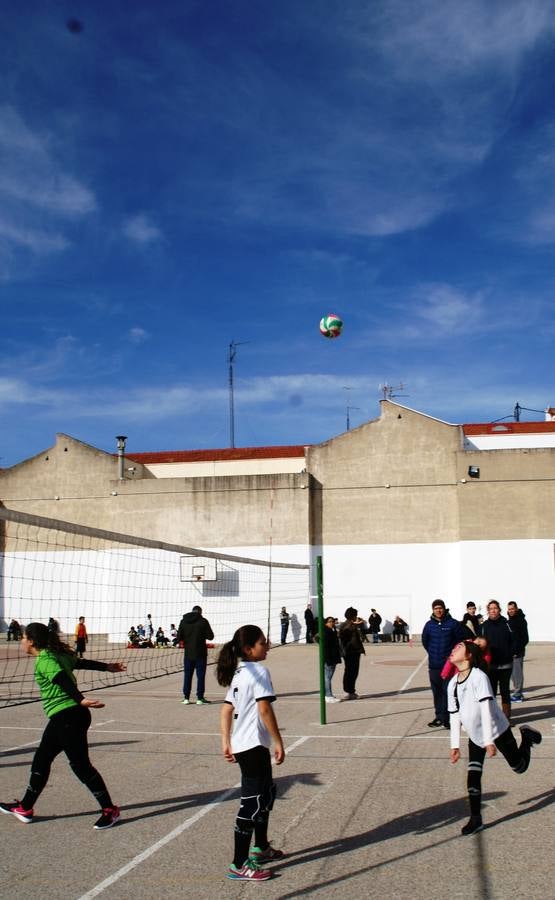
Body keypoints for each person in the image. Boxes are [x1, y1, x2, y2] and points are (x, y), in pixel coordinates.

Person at [0, 621, 125, 829]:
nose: (21, 641)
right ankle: (25, 806)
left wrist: (79, 698)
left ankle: (110, 810)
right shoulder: (55, 655)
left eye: (23, 638)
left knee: (80, 766)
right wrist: (107, 667)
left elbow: (60, 679)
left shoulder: (45, 659)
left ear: (31, 641)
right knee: (42, 759)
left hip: (68, 716)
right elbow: (80, 662)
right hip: (68, 716)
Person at [447, 639, 542, 835]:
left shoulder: (479, 677)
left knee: (519, 767)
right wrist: (454, 745)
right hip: (475, 735)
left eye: (459, 647)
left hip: (496, 730)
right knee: (473, 774)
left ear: (469, 655)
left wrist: (489, 741)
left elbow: (486, 709)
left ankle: (527, 736)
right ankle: (476, 818)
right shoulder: (452, 684)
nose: (454, 649)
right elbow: (454, 715)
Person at [217, 625, 285, 882]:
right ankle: (238, 863)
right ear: (249, 649)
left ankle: (261, 847)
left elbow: (226, 709)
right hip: (252, 746)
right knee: (253, 802)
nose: (267, 645)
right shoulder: (258, 671)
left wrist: (226, 740)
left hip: (247, 744)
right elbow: (264, 709)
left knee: (267, 793)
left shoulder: (240, 671)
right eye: (262, 642)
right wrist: (278, 741)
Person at [421, 599, 465, 728]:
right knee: (437, 692)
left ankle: (450, 719)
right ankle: (439, 717)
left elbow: (460, 642)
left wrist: (452, 657)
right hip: (434, 665)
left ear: (444, 609)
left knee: (449, 692)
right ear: (433, 610)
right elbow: (425, 641)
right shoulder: (429, 625)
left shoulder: (453, 624)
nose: (438, 610)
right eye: (436, 608)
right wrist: (433, 652)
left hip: (449, 666)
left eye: (440, 608)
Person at [481, 600, 514, 723]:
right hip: (491, 666)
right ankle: (493, 718)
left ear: (499, 609)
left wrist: (511, 652)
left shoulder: (506, 623)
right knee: (491, 692)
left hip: (506, 664)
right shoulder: (484, 626)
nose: (493, 610)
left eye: (495, 608)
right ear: (488, 611)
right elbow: (480, 643)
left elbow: (514, 640)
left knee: (505, 691)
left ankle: (506, 718)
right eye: (490, 609)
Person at [177, 605, 214, 705]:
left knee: (187, 675)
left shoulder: (183, 621)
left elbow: (179, 636)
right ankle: (200, 698)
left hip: (188, 653)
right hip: (200, 653)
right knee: (200, 676)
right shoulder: (203, 621)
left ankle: (186, 698)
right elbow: (211, 636)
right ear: (200, 612)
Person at [339, 607, 365, 700]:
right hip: (349, 651)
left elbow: (363, 632)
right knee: (350, 672)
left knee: (354, 672)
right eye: (355, 615)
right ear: (352, 616)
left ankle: (351, 691)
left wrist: (360, 624)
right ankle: (349, 691)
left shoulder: (354, 624)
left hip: (356, 651)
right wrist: (354, 625)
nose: (356, 617)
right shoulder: (345, 625)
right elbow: (342, 635)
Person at [507, 602, 529, 702]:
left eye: (512, 609)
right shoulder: (510, 621)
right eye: (509, 609)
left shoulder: (521, 621)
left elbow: (525, 638)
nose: (511, 610)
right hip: (511, 652)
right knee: (512, 673)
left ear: (516, 609)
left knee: (517, 673)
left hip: (518, 653)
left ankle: (518, 694)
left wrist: (517, 650)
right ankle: (518, 692)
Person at [323, 616, 342, 702]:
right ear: (326, 623)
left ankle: (327, 694)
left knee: (328, 677)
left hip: (332, 657)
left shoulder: (332, 630)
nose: (332, 623)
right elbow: (326, 647)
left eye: (333, 621)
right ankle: (328, 695)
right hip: (329, 658)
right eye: (330, 621)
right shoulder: (327, 632)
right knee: (327, 677)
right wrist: (328, 659)